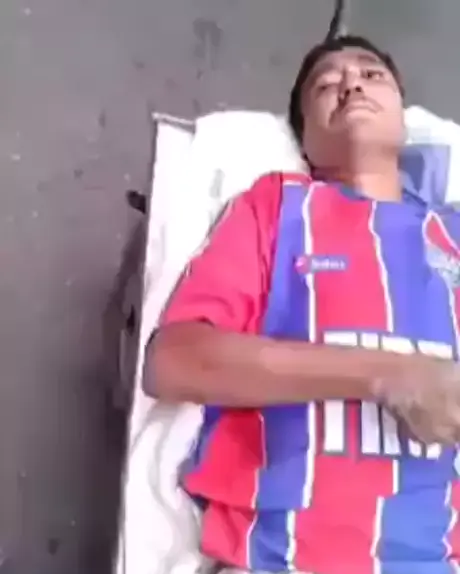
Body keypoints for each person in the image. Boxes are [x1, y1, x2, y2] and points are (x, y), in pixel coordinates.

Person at [143, 35, 460, 574]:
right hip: (275, 560)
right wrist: (391, 375)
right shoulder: (277, 205)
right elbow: (174, 362)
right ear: (305, 138)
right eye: (326, 84)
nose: (352, 84)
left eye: (372, 75)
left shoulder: (452, 235)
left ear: (403, 119)